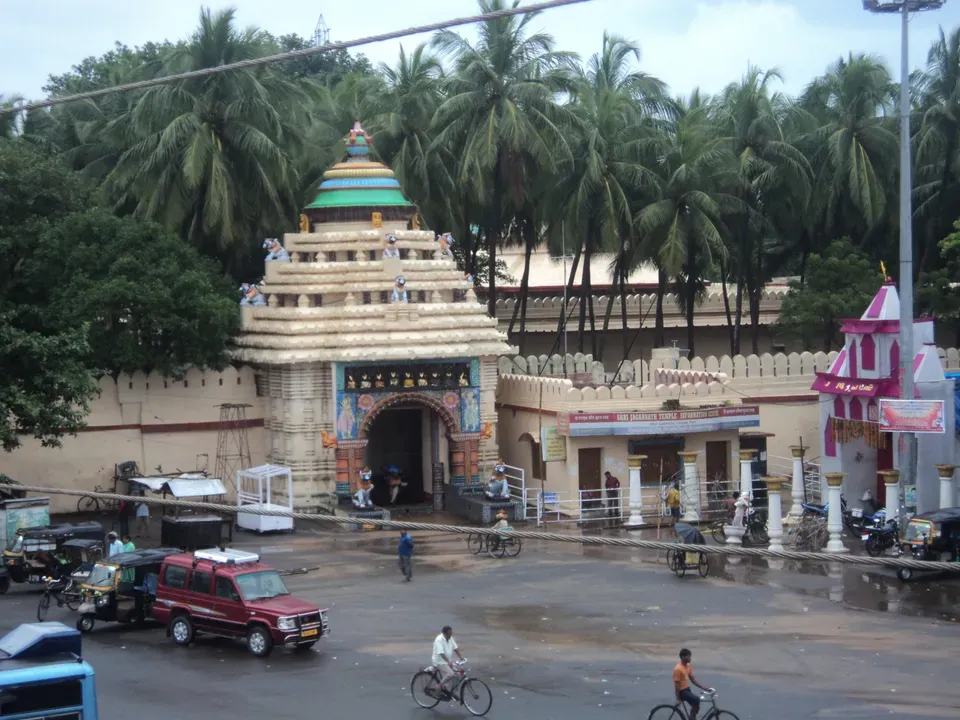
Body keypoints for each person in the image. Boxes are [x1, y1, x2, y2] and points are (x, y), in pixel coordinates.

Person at [673, 649, 713, 720]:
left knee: (697, 705)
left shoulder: (688, 666)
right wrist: (677, 699)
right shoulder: (678, 669)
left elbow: (692, 679)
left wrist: (704, 688)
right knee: (696, 699)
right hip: (682, 691)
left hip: (687, 689)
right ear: (682, 657)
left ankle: (692, 717)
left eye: (690, 656)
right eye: (688, 657)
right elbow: (677, 685)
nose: (690, 658)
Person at [431, 625, 465, 698]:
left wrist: (461, 657)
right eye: (449, 633)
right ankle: (439, 685)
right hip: (439, 662)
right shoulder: (439, 640)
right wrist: (448, 661)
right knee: (451, 674)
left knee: (457, 675)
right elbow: (441, 652)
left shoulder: (450, 638)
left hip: (447, 661)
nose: (450, 635)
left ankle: (452, 691)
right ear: (444, 633)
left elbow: (455, 648)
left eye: (451, 633)